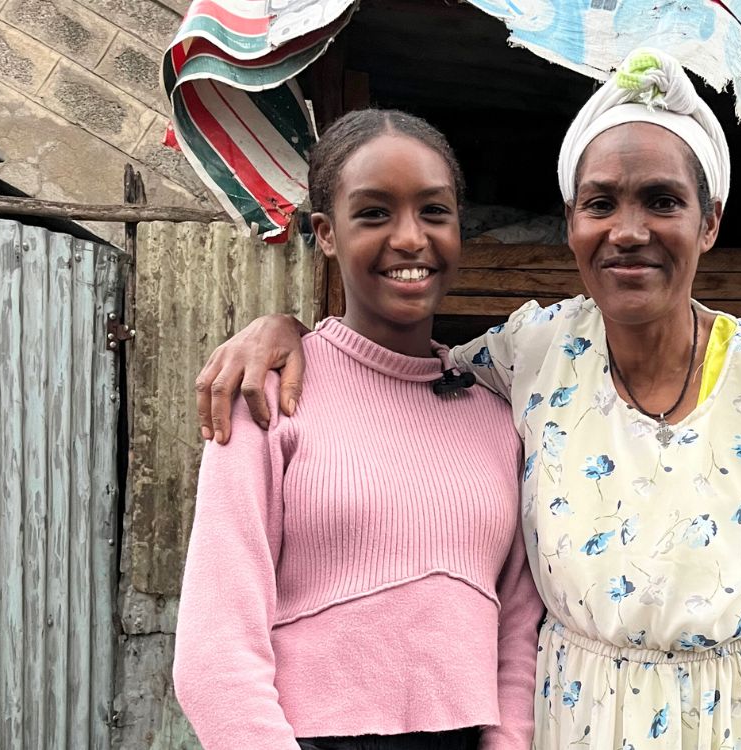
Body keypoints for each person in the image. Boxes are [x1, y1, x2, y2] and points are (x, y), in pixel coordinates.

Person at [195, 49, 741, 749]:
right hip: (572, 722)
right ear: (571, 225)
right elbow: (393, 373)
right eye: (600, 204)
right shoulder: (534, 357)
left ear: (709, 221)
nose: (628, 231)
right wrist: (287, 329)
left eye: (661, 201)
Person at [173, 109, 543, 750]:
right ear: (325, 233)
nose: (410, 238)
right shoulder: (269, 398)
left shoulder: (496, 414)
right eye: (374, 213)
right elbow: (216, 650)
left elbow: (517, 625)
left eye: (434, 211)